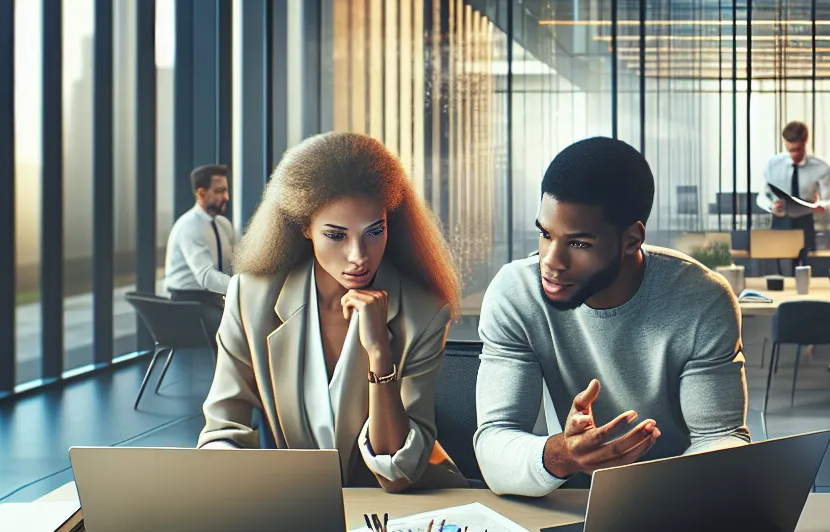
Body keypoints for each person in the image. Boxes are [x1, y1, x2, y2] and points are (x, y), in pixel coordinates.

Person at [474, 136, 751, 497]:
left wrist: (665, 499)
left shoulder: (702, 299)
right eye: (546, 234)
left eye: (578, 244)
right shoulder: (516, 294)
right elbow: (494, 442)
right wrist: (562, 455)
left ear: (632, 239)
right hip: (570, 501)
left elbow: (719, 437)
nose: (552, 261)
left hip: (683, 501)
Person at [197, 132, 467, 492]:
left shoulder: (424, 313)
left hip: (406, 513)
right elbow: (224, 428)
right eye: (337, 235)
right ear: (304, 227)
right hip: (295, 508)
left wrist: (379, 355)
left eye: (374, 231)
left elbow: (397, 471)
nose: (358, 256)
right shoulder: (250, 298)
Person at [164, 165, 238, 334]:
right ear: (201, 194)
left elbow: (234, 264)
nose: (226, 197)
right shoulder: (189, 226)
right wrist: (241, 287)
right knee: (232, 330)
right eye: (219, 191)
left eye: (226, 191)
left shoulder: (224, 225)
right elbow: (206, 277)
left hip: (213, 298)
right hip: (186, 303)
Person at [756, 120, 830, 263]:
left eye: (797, 149)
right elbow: (761, 197)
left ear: (805, 143)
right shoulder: (772, 164)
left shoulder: (821, 168)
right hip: (779, 223)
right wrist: (771, 207)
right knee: (778, 269)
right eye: (789, 149)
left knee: (806, 268)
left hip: (805, 223)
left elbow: (829, 200)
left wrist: (822, 206)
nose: (793, 154)